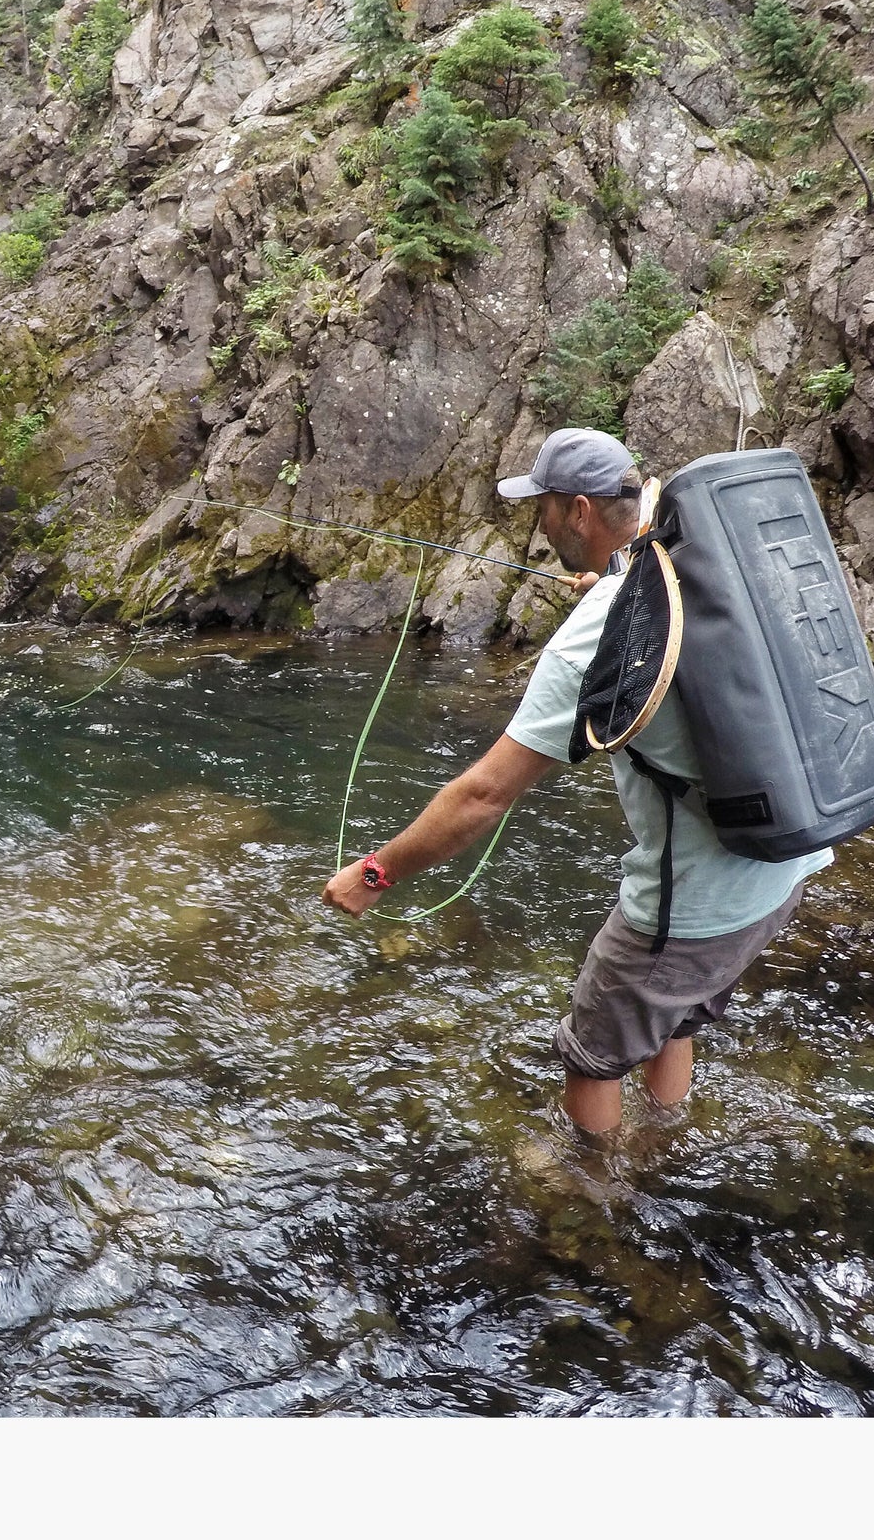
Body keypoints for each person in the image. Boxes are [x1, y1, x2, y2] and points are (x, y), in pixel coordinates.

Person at [321, 426, 832, 1136]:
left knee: (592, 1055)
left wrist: (376, 874)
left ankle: (596, 1191)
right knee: (674, 1014)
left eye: (544, 507)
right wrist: (610, 585)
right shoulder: (700, 556)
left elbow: (484, 795)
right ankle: (666, 1139)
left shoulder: (594, 636)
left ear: (580, 512)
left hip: (691, 907)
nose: (539, 523)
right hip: (788, 857)